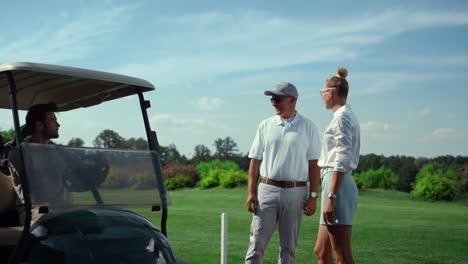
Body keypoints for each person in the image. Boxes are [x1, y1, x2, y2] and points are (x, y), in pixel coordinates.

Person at [245, 81, 321, 263]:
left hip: (296, 193)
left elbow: (314, 164)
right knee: (256, 244)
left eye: (278, 99)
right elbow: (255, 161)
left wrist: (313, 196)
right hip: (266, 190)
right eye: (272, 100)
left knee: (288, 249)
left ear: (292, 99)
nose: (274, 103)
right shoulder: (265, 125)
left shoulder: (308, 126)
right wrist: (251, 192)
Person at [314, 67, 360, 264]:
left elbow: (342, 156)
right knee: (321, 252)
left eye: (322, 92)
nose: (322, 96)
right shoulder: (343, 115)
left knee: (341, 255)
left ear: (331, 92)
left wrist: (332, 195)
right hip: (333, 183)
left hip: (336, 185)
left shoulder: (342, 117)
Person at [8, 103, 69, 224]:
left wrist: (86, 168)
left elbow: (76, 179)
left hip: (64, 210)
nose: (58, 125)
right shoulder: (19, 154)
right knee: (55, 226)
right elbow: (38, 184)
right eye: (53, 120)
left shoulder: (60, 152)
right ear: (39, 125)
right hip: (35, 212)